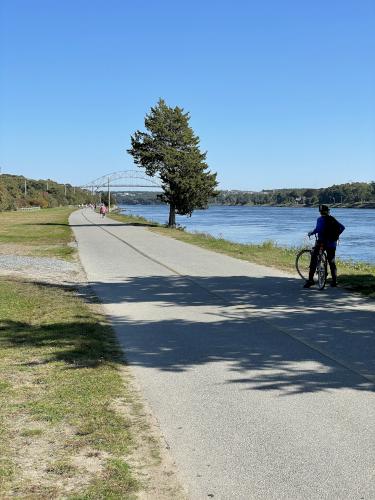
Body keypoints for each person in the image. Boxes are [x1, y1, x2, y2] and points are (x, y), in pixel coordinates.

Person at [304, 205, 345, 288]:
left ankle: (310, 280)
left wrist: (311, 233)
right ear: (328, 211)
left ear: (320, 212)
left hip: (321, 242)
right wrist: (336, 236)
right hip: (332, 243)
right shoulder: (332, 219)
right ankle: (334, 282)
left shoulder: (320, 219)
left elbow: (318, 229)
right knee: (332, 262)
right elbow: (342, 227)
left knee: (314, 259)